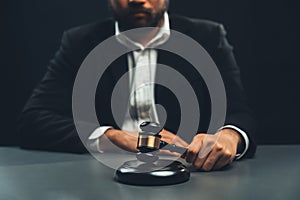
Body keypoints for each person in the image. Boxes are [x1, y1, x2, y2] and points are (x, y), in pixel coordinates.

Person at [17, 0, 257, 171]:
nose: (137, 0)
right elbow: (34, 120)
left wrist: (229, 137)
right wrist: (112, 138)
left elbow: (238, 112)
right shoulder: (80, 42)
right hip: (98, 174)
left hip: (190, 174)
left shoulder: (207, 37)